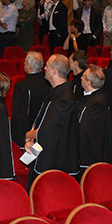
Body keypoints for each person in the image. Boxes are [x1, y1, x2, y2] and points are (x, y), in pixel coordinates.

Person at [25, 54, 79, 187]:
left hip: (55, 160)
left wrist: (27, 136)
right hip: (44, 150)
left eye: (47, 65)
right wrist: (31, 141)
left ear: (54, 71)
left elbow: (47, 131)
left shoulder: (65, 98)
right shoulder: (55, 93)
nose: (44, 68)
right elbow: (42, 122)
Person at [77, 65, 112, 172]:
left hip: (91, 155)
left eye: (83, 77)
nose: (81, 78)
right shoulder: (92, 98)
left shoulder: (97, 103)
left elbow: (86, 130)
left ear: (89, 82)